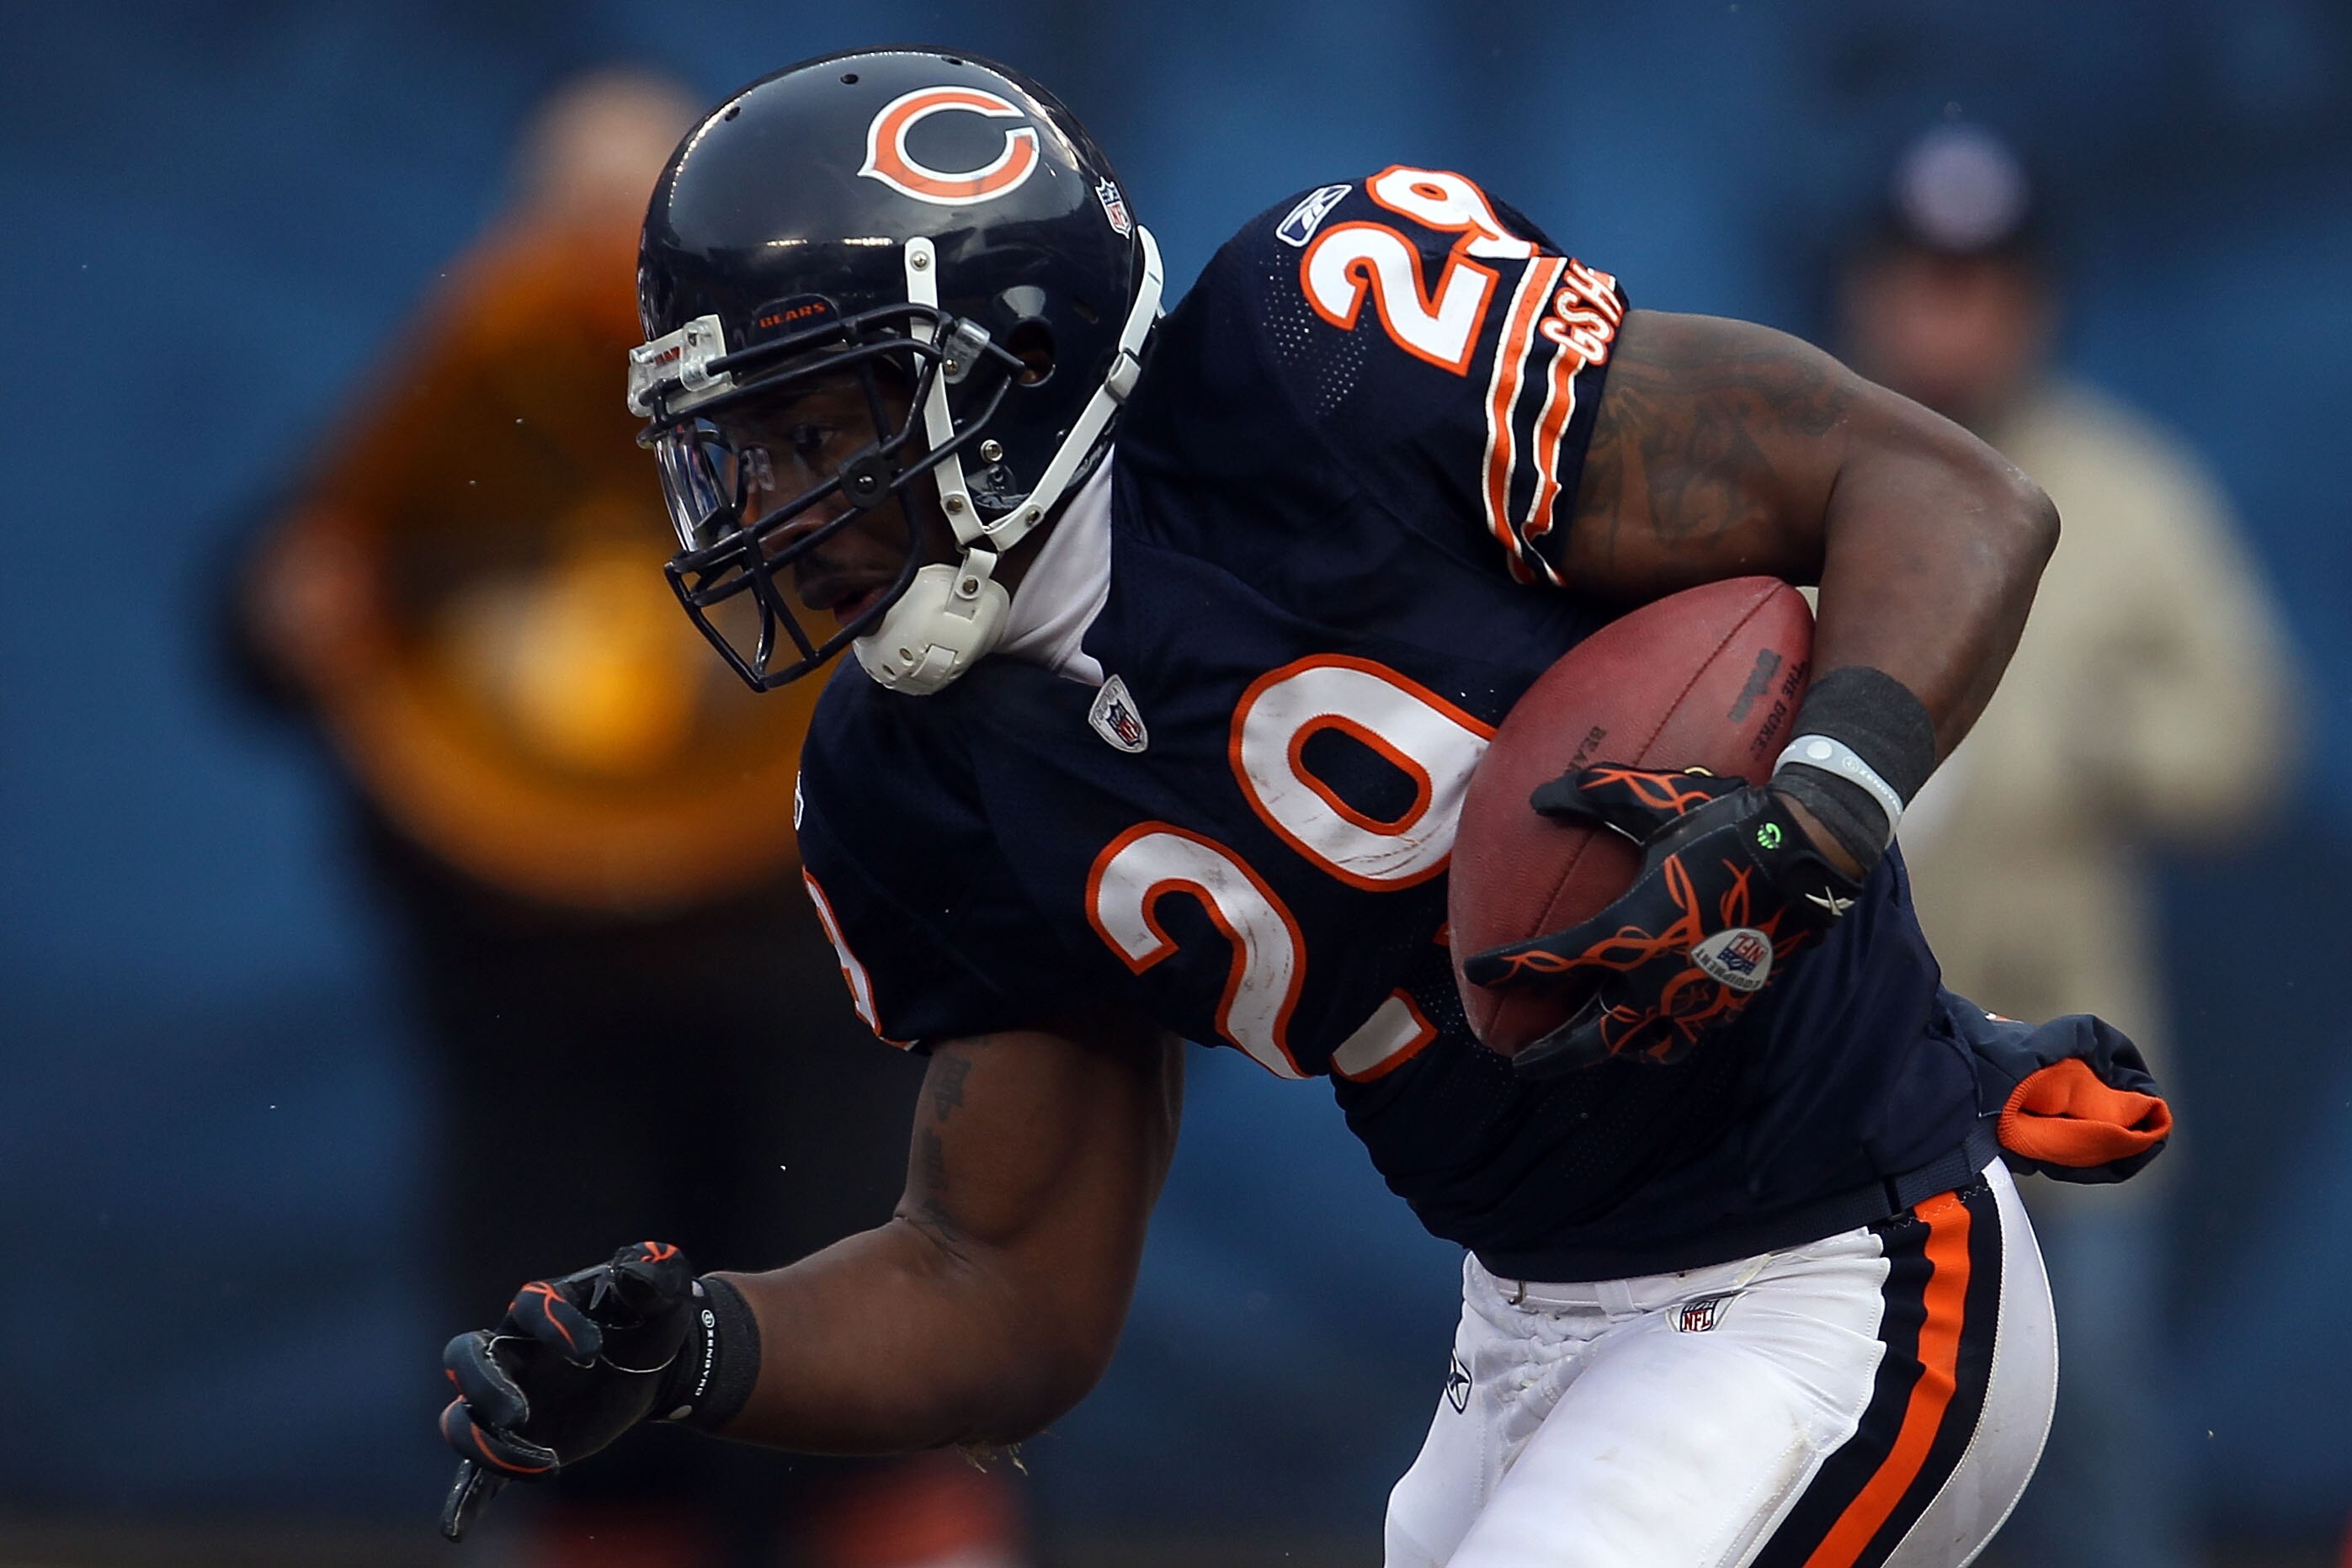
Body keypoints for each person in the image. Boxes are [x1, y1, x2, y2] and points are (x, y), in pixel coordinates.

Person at [430, 50, 2174, 1566]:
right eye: (736, 446)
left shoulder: (1319, 360)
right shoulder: (914, 776)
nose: (774, 502)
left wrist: (1810, 825)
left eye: (816, 428)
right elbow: (1000, 1281)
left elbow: (1932, 490)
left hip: (1835, 1257)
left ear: (1007, 359)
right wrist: (700, 1348)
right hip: (1527, 1325)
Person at [234, 68, 1029, 1568]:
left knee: (873, 1350)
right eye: (572, 208)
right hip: (534, 1005)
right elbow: (285, 584)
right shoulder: (462, 383)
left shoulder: (800, 390)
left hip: (800, 981)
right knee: (571, 1381)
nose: (600, 247)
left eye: (635, 212)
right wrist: (290, 605)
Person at [1838, 126, 2301, 1568]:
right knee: (1841, 1439)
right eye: (1922, 277)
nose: (1947, 312)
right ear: (1870, 290)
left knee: (2088, 1428)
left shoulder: (2130, 493)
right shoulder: (1790, 459)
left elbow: (2248, 741)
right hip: (1830, 1067)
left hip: (2053, 1065)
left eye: (1979, 280)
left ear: (2029, 300)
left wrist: (2081, 746)